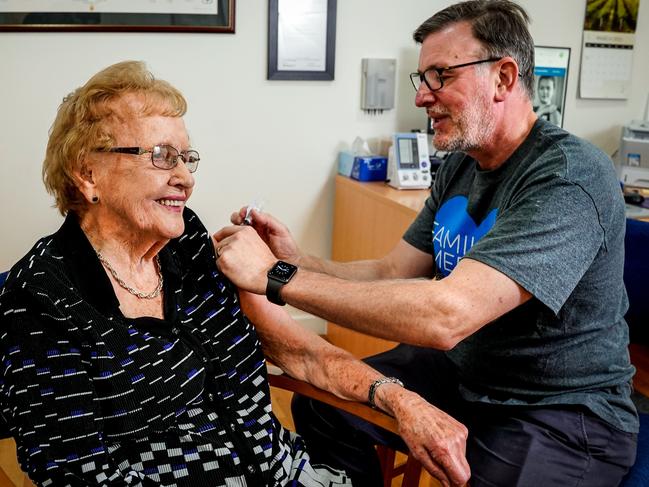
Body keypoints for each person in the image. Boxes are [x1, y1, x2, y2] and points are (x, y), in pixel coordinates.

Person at [213, 1, 639, 486]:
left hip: (559, 408)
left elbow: (446, 315)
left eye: (441, 76)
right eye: (423, 79)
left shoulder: (568, 177)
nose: (422, 98)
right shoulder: (462, 163)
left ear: (503, 78)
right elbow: (393, 271)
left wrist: (275, 278)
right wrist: (295, 261)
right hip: (464, 375)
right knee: (321, 407)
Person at [0, 61, 461, 487]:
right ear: (88, 175)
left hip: (290, 474)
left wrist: (401, 400)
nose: (185, 177)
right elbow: (75, 476)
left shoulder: (189, 248)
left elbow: (301, 352)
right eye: (162, 155)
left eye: (186, 157)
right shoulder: (42, 298)